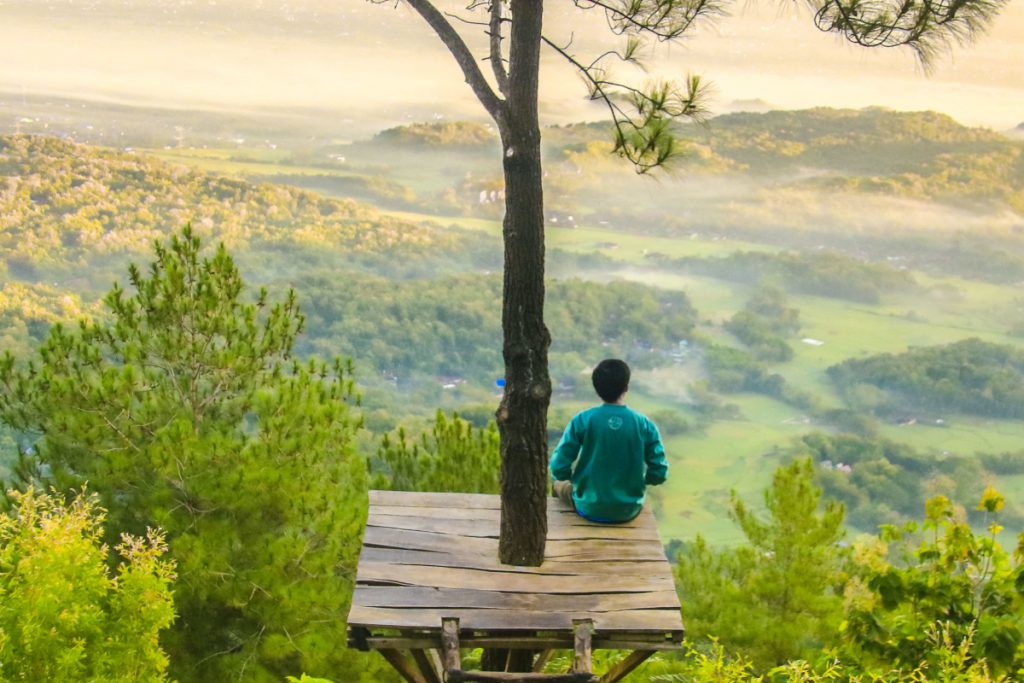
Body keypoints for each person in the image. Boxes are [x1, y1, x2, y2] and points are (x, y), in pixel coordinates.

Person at [550, 358, 668, 523]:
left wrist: (572, 482)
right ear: (626, 387)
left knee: (557, 485)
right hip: (629, 510)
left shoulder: (582, 420)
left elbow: (558, 466)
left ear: (596, 388)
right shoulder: (644, 424)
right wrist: (638, 481)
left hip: (587, 507)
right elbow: (659, 473)